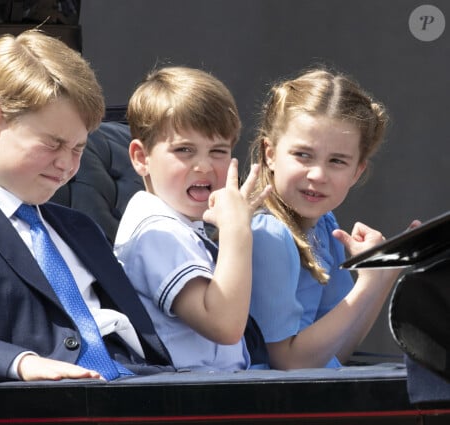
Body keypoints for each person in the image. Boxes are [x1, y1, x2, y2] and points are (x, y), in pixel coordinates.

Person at [0, 29, 172, 382]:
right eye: (52, 144)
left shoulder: (81, 229)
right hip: (46, 405)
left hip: (141, 387)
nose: (67, 165)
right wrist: (23, 363)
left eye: (78, 149)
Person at [247, 67, 420, 369]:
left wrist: (382, 277)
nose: (318, 175)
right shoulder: (268, 234)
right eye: (302, 155)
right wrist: (366, 285)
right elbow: (288, 364)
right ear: (270, 154)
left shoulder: (324, 225)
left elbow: (334, 353)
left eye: (337, 161)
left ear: (357, 171)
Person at [114, 66, 271, 371]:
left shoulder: (180, 225)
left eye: (218, 150)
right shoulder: (156, 232)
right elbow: (224, 326)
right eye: (184, 150)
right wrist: (237, 231)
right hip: (189, 397)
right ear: (140, 157)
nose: (203, 166)